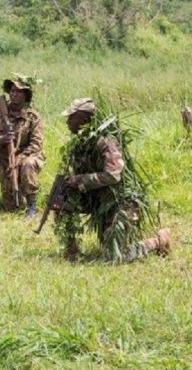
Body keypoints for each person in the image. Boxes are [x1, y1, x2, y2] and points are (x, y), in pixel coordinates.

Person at [54, 98, 172, 262]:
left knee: (115, 257)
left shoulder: (106, 141)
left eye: (72, 117)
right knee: (59, 200)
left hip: (119, 202)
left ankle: (158, 241)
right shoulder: (81, 143)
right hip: (97, 198)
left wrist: (80, 179)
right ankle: (71, 249)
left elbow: (113, 175)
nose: (67, 121)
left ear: (85, 119)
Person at [0, 74, 44, 218]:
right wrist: (1, 139)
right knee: (10, 206)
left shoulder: (33, 117)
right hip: (5, 159)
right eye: (12, 91)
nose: (14, 94)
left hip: (29, 155)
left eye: (19, 91)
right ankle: (18, 196)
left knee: (27, 165)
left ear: (26, 95)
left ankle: (32, 204)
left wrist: (20, 158)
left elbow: (37, 144)